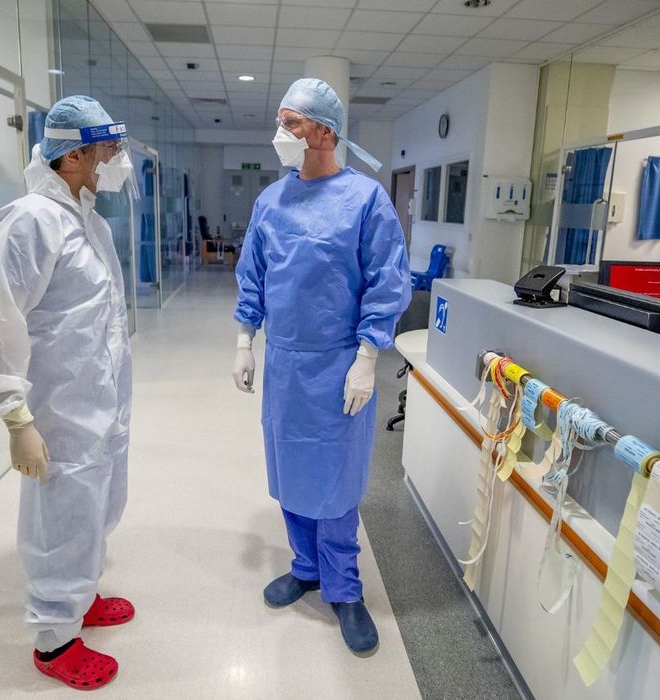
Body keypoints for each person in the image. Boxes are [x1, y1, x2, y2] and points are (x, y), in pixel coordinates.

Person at [0, 95, 136, 691]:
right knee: (60, 513)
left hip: (101, 402)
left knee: (97, 502)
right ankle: (53, 637)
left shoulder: (88, 217)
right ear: (78, 154)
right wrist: (16, 416)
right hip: (59, 409)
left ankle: (80, 594)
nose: (116, 159)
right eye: (108, 149)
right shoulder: (30, 219)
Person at [232, 78, 411, 655]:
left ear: (324, 132)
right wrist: (244, 340)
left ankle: (345, 587)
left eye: (292, 124)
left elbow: (387, 282)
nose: (281, 135)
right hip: (286, 363)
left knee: (335, 480)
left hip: (339, 365)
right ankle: (306, 566)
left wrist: (367, 358)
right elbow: (253, 273)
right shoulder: (270, 200)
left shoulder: (364, 199)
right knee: (289, 469)